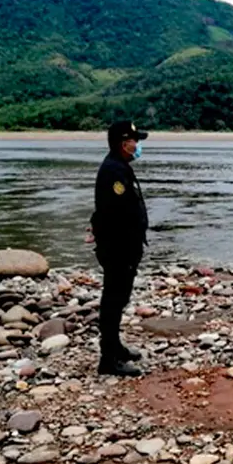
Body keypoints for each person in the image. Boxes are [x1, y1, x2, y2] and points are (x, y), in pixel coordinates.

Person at [89, 121, 149, 377]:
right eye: (135, 141)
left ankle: (115, 346)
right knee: (113, 300)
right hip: (118, 249)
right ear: (124, 143)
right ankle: (108, 359)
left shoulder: (120, 167)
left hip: (124, 248)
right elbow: (114, 213)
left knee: (120, 298)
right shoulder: (114, 171)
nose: (138, 146)